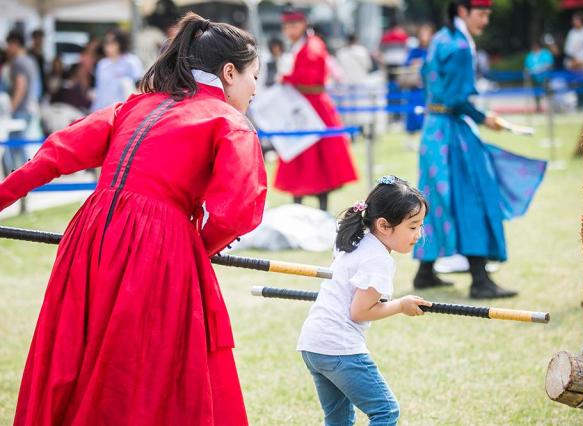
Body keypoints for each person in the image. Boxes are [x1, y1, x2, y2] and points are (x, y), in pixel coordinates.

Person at [1, 13, 266, 425]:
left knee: (79, 355)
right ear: (229, 72)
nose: (255, 89)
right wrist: (199, 247)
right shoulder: (229, 122)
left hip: (88, 238)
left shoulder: (136, 105)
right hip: (157, 245)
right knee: (139, 371)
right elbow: (239, 210)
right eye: (254, 76)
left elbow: (54, 154)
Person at [412, 0, 546, 299]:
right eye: (482, 13)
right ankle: (480, 280)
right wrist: (485, 118)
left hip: (432, 130)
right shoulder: (460, 47)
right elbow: (458, 99)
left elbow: (429, 80)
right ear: (462, 11)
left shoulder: (439, 39)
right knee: (473, 199)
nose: (486, 20)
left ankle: (424, 273)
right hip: (451, 131)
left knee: (434, 202)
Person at [297, 175, 431, 425]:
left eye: (420, 225)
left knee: (338, 419)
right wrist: (401, 305)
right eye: (412, 227)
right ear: (383, 225)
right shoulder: (378, 260)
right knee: (385, 412)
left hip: (313, 343)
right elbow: (359, 312)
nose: (418, 234)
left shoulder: (356, 238)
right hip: (340, 348)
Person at [274, 5, 358, 211]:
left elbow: (312, 79)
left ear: (304, 24)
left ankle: (320, 209)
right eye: (286, 26)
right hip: (301, 107)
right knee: (299, 157)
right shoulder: (299, 46)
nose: (289, 30)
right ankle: (298, 208)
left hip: (314, 108)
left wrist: (287, 79)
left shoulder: (312, 45)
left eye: (293, 24)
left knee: (318, 161)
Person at [3, 30, 42, 215]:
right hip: (31, 109)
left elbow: (20, 84)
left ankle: (21, 195)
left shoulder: (18, 62)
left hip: (20, 111)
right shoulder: (31, 60)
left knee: (16, 155)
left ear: (14, 43)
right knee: (26, 153)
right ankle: (26, 194)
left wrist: (11, 107)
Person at [91, 29, 144, 111]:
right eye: (106, 43)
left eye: (112, 43)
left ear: (121, 43)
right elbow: (100, 91)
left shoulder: (131, 61)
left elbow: (139, 86)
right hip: (104, 111)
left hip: (123, 110)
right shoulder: (102, 64)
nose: (108, 46)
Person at [564, 12, 583, 110]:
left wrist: (582, 60)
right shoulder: (572, 33)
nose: (575, 22)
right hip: (575, 62)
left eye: (576, 20)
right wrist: (574, 60)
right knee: (576, 83)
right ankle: (579, 103)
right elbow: (568, 49)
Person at [524, 41, 553, 112]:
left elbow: (549, 64)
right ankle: (538, 107)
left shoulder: (545, 54)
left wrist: (541, 69)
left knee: (548, 93)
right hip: (534, 78)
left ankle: (551, 108)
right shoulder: (530, 56)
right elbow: (527, 67)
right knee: (536, 94)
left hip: (545, 77)